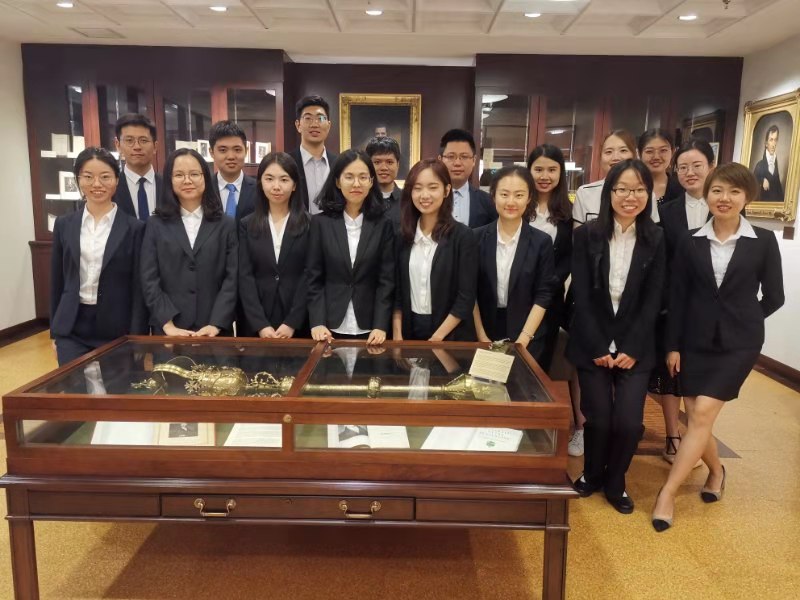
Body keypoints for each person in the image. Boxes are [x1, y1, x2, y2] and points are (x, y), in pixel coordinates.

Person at [652, 163, 784, 532]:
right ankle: (716, 472)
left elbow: (775, 297)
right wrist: (672, 345)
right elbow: (677, 297)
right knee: (697, 416)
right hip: (693, 341)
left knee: (703, 413)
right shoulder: (690, 240)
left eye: (734, 191)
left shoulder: (763, 241)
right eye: (717, 190)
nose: (724, 198)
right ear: (707, 195)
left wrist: (744, 319)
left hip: (738, 345)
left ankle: (667, 493)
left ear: (747, 197)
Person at [569, 159, 666, 515]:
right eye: (622, 189)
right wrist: (597, 344)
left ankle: (616, 481)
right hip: (592, 341)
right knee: (598, 418)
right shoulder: (587, 235)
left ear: (649, 194)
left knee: (628, 423)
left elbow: (654, 299)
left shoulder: (657, 239)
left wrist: (633, 347)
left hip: (635, 346)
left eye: (639, 189)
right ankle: (592, 474)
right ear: (609, 192)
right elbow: (581, 294)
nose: (630, 196)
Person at [50, 147, 147, 365]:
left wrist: (138, 335)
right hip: (72, 326)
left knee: (118, 386)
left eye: (105, 177)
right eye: (88, 177)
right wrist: (55, 331)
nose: (97, 184)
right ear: (78, 180)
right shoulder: (64, 225)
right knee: (74, 385)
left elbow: (139, 288)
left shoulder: (135, 228)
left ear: (116, 180)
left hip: (117, 327)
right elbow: (57, 281)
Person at [654, 139, 716, 465]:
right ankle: (672, 435)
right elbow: (662, 261)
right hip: (673, 305)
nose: (690, 172)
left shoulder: (724, 205)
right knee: (671, 374)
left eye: (697, 166)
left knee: (703, 382)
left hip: (711, 308)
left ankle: (698, 438)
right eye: (683, 167)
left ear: (712, 167)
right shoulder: (667, 211)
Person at [140, 148, 238, 336]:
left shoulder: (225, 224)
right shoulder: (155, 224)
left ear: (205, 178)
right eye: (179, 175)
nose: (187, 180)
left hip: (214, 330)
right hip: (169, 330)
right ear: (169, 180)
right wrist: (168, 324)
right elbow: (149, 278)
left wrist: (216, 323)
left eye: (194, 174)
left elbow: (232, 278)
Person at [526, 144, 583, 457]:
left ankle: (537, 425)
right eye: (538, 169)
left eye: (551, 170)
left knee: (541, 362)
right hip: (515, 297)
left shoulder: (567, 212)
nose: (544, 176)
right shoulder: (518, 202)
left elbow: (567, 259)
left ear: (561, 173)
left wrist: (546, 285)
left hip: (549, 301)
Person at [306, 149, 395, 344]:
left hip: (371, 329)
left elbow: (386, 281)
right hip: (329, 327)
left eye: (363, 177)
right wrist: (317, 322)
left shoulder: (383, 224)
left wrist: (380, 325)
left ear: (371, 182)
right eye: (349, 177)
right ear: (338, 182)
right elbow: (314, 278)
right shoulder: (320, 223)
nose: (356, 184)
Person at [473, 166, 555, 355]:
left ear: (529, 198)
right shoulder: (475, 238)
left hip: (528, 333)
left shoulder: (542, 242)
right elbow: (470, 292)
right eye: (504, 194)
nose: (511, 202)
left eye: (519, 195)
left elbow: (543, 295)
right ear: (493, 196)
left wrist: (523, 340)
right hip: (484, 331)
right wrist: (482, 336)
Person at [393, 158, 478, 341]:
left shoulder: (463, 237)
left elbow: (465, 297)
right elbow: (397, 293)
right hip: (409, 331)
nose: (424, 195)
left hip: (449, 334)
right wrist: (397, 335)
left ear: (446, 190)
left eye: (433, 187)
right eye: (417, 188)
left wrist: (436, 339)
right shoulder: (402, 237)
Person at [238, 152, 310, 339]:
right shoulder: (246, 224)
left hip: (298, 322)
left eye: (284, 180)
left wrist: (292, 322)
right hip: (257, 323)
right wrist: (260, 324)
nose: (276, 186)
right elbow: (245, 276)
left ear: (294, 185)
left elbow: (310, 275)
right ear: (260, 183)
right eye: (269, 179)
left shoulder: (310, 224)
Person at [573, 130, 661, 225]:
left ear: (634, 155)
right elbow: (578, 233)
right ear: (600, 158)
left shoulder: (646, 194)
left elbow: (652, 231)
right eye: (608, 152)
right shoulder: (584, 193)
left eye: (623, 150)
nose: (615, 157)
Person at [438, 129, 497, 228]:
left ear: (474, 160)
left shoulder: (488, 202)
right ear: (440, 160)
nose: (457, 163)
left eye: (464, 157)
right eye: (451, 157)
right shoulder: (428, 198)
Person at [290, 95, 338, 213]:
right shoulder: (287, 162)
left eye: (320, 118)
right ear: (298, 125)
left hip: (331, 224)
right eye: (308, 118)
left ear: (329, 125)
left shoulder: (338, 163)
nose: (315, 124)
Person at [113, 113, 163, 221]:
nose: (137, 147)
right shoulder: (110, 188)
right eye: (129, 140)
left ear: (155, 146)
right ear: (118, 145)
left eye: (143, 140)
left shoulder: (170, 186)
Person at [209, 120, 257, 225]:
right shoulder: (204, 188)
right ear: (211, 152)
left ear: (246, 151)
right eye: (223, 150)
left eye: (237, 150)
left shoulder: (259, 189)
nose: (231, 156)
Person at [638, 129, 683, 207]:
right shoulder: (629, 186)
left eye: (663, 150)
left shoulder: (682, 190)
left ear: (672, 152)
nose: (656, 157)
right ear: (639, 154)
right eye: (649, 151)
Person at [365, 136, 402, 228]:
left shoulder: (408, 200)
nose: (384, 168)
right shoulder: (360, 199)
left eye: (389, 162)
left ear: (398, 165)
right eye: (377, 162)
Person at [753, 125, 783, 202]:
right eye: (771, 140)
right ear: (766, 143)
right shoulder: (759, 165)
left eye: (775, 140)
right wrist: (762, 180)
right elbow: (752, 183)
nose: (773, 144)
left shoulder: (775, 164)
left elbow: (778, 188)